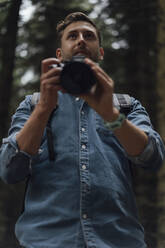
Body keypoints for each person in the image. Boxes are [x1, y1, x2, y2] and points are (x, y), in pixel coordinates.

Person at [0, 12, 164, 248]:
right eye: (72, 36)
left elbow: (153, 157)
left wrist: (110, 114)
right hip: (47, 241)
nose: (81, 40)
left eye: (89, 36)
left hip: (118, 241)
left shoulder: (126, 106)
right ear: (59, 53)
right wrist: (44, 108)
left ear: (100, 52)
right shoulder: (33, 104)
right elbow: (9, 169)